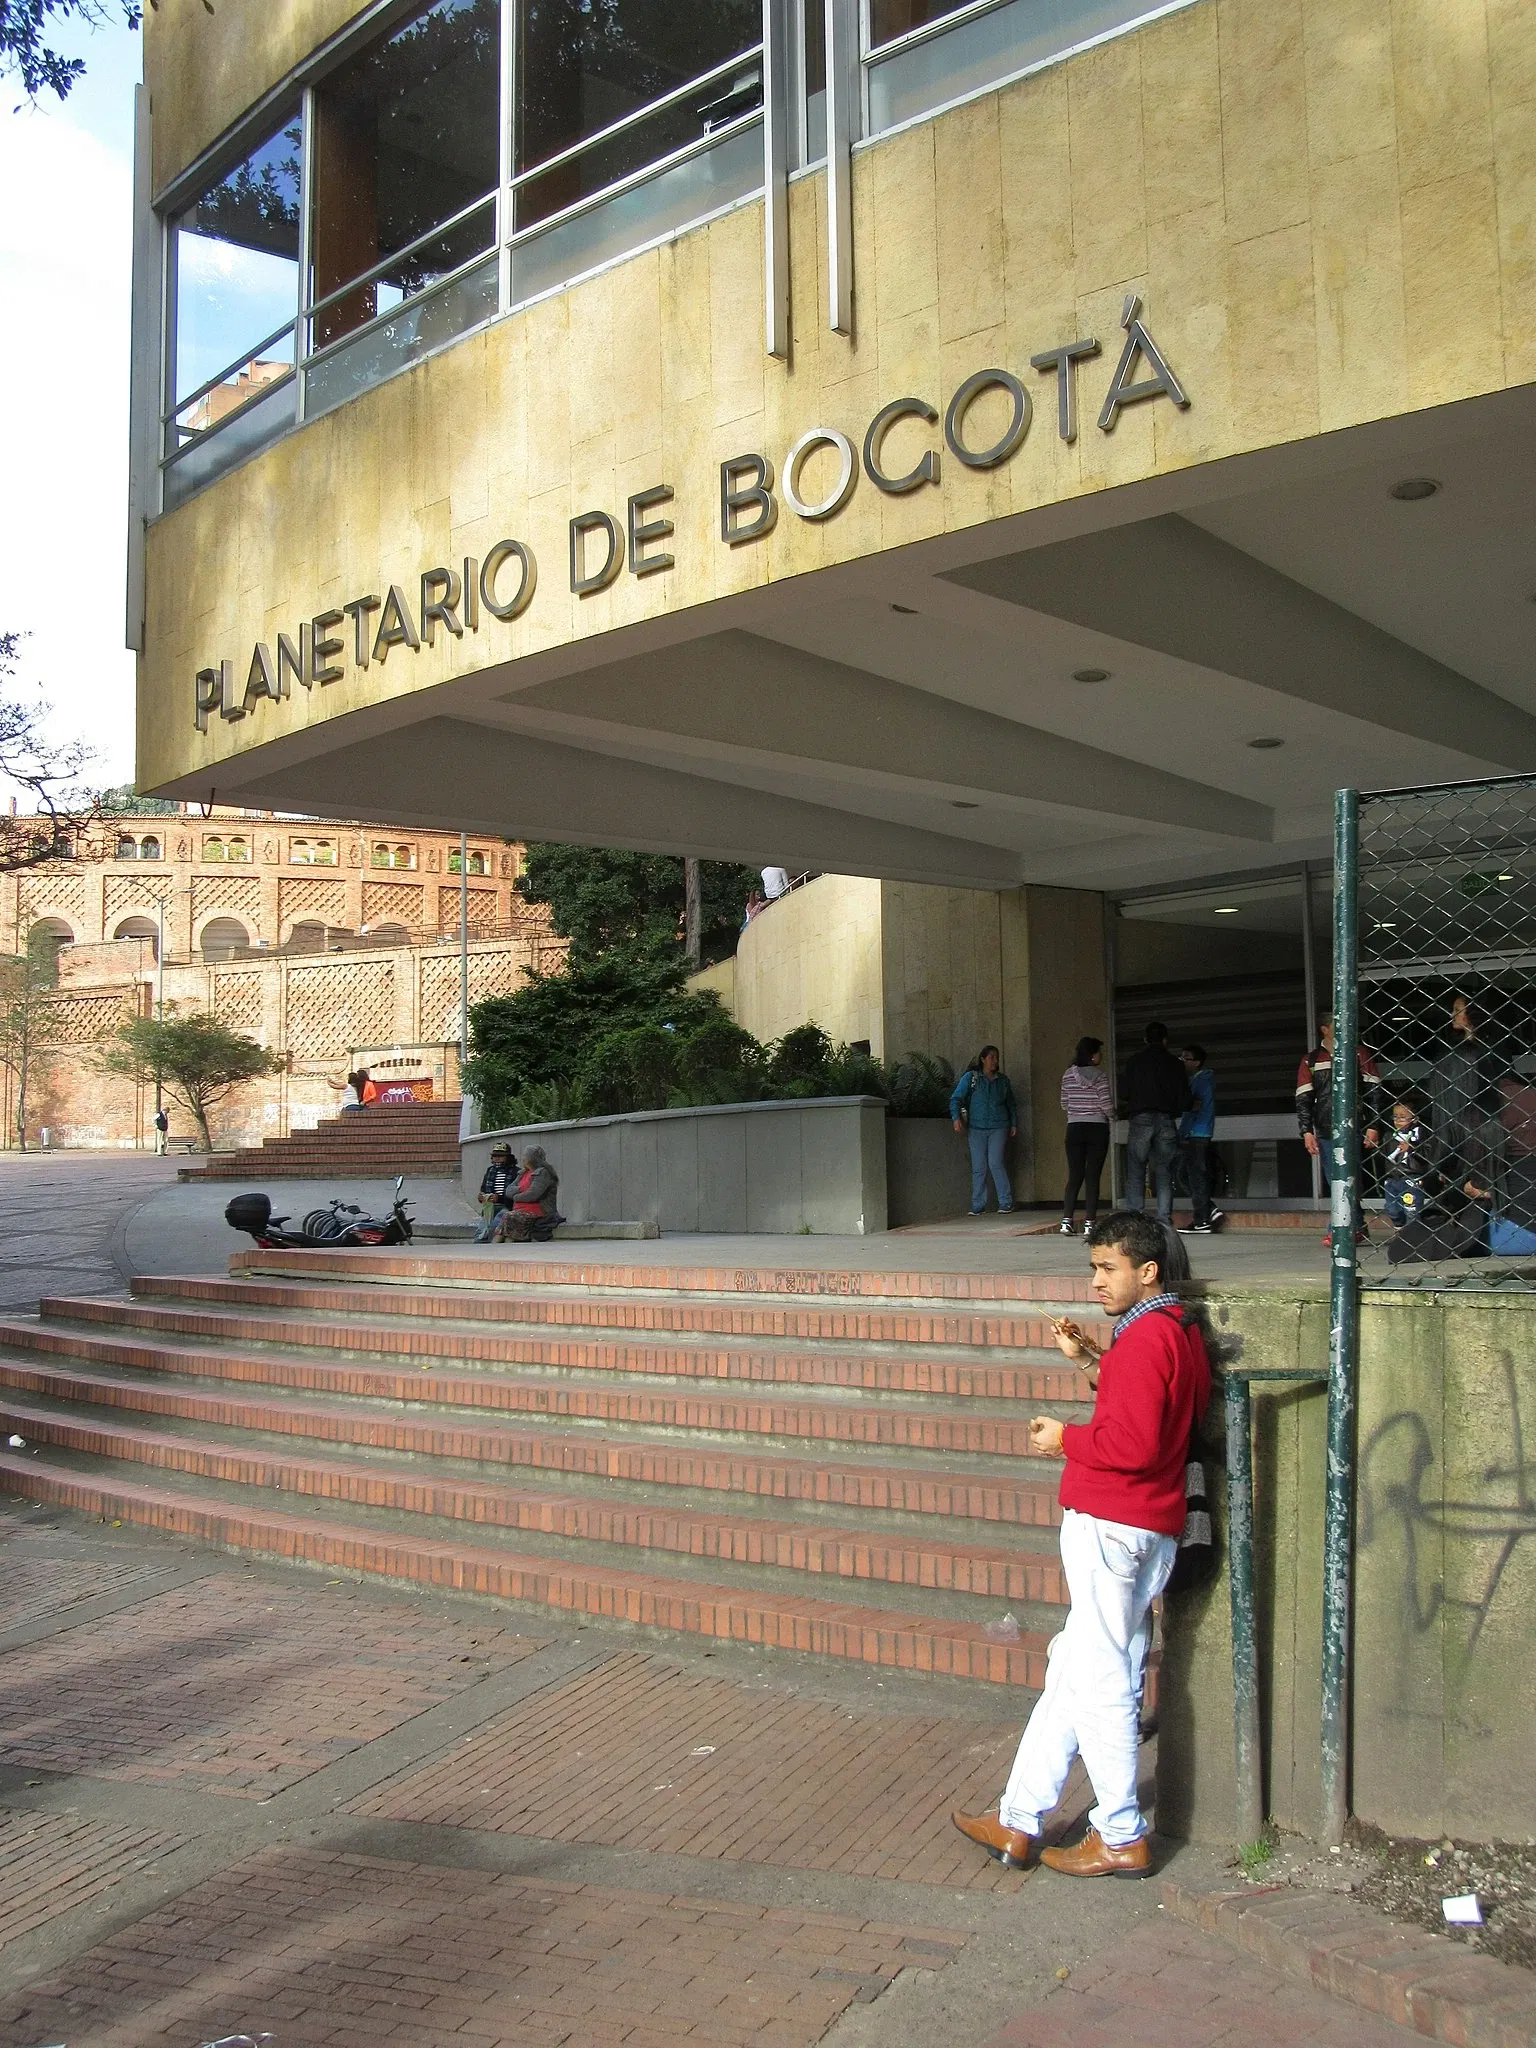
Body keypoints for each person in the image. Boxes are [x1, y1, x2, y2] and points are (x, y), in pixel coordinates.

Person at [951, 1211, 1210, 1878]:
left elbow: (1134, 1442)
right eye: (1093, 1266)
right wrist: (1094, 1361)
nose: (1095, 1280)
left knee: (1101, 1676)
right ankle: (1018, 1818)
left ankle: (1120, 1832)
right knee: (1078, 1662)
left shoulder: (1147, 1337)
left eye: (1107, 1268)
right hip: (1147, 1525)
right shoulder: (1176, 1328)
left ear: (1147, 1271)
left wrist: (1064, 1438)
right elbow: (1153, 1410)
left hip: (1113, 1522)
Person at [1296, 1013, 1381, 1239]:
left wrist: (1373, 1125)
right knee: (1335, 1177)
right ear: (1325, 1029)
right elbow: (1303, 1099)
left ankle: (1341, 1228)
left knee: (1349, 1175)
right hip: (1325, 1128)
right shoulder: (1311, 1060)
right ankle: (1355, 1225)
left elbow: (1374, 1092)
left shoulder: (1359, 1053)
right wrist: (1306, 1131)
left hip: (1354, 1125)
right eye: (1337, 1024)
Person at [1122, 1022, 1189, 1223]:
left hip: (1140, 1118)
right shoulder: (1175, 1064)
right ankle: (1164, 1218)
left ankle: (1135, 1218)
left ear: (1145, 1039)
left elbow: (1124, 1092)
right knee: (1164, 1170)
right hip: (1166, 1119)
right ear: (1165, 1040)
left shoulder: (1134, 1061)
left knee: (1136, 1169)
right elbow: (1184, 1098)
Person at [950, 1046, 1019, 1216]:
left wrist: (1013, 1123)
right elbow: (956, 1098)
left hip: (999, 1126)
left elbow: (1011, 1104)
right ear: (983, 1059)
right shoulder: (971, 1078)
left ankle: (1005, 1202)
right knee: (978, 1166)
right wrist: (956, 1118)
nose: (995, 1061)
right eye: (991, 1057)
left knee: (995, 1162)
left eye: (996, 1057)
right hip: (976, 1127)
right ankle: (978, 1204)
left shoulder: (1002, 1081)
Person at [1059, 1037, 1113, 1236]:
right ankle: (1090, 1223)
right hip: (1097, 1128)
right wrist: (1113, 1115)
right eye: (1099, 1052)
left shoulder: (1068, 1075)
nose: (1101, 1056)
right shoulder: (1100, 1076)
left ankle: (1066, 1221)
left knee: (1075, 1175)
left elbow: (1064, 1103)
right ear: (1092, 1055)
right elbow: (1106, 1103)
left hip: (1074, 1128)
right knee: (1093, 1176)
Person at [1177, 1045, 1224, 1235]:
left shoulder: (1201, 1080)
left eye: (1186, 1058)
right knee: (1185, 1175)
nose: (1181, 1061)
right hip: (1196, 1133)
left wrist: (1182, 1132)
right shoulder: (1197, 1079)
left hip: (1197, 1133)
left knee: (1195, 1177)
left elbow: (1194, 1107)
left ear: (1197, 1062)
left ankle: (1202, 1220)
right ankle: (1209, 1209)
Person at [491, 1144, 563, 1243]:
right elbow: (508, 1190)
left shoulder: (542, 1173)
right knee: (505, 1223)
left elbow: (533, 1195)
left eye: (525, 1156)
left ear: (532, 1158)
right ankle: (496, 1247)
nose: (523, 1158)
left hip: (538, 1212)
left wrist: (515, 1197)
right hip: (518, 1211)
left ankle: (505, 1246)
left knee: (509, 1218)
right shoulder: (523, 1173)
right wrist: (522, 1188)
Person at [1381, 1101, 1430, 1228]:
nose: (1398, 1121)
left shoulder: (1421, 1135)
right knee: (1392, 1209)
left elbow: (1428, 1153)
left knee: (1411, 1209)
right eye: (1395, 1117)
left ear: (1415, 1119)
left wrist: (1412, 1148)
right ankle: (1399, 1227)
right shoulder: (1389, 1135)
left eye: (1402, 1117)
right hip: (1392, 1177)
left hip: (1411, 1177)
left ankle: (1411, 1233)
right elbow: (1383, 1155)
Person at [474, 1141, 519, 1242]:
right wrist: (482, 1197)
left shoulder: (515, 1172)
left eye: (501, 1156)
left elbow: (516, 1194)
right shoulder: (490, 1170)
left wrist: (499, 1198)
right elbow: (484, 1188)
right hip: (489, 1208)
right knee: (480, 1232)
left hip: (507, 1207)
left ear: (508, 1157)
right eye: (495, 1156)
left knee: (492, 1228)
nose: (497, 1158)